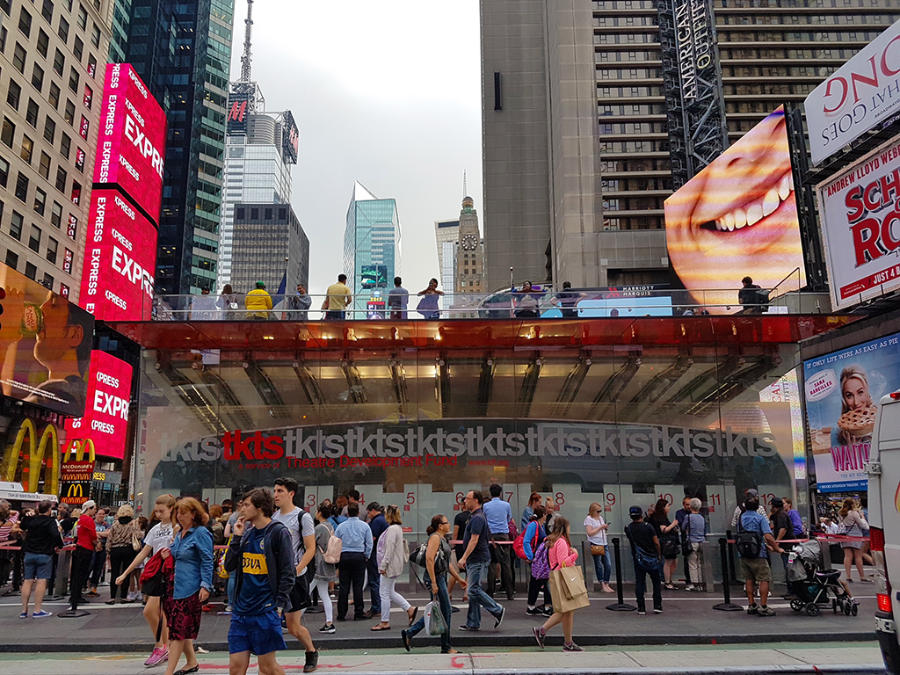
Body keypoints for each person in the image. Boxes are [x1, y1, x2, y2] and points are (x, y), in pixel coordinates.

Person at [225, 488, 304, 675]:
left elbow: (288, 572)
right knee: (235, 668)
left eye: (246, 505)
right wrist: (236, 537)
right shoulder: (246, 534)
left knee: (267, 668)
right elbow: (229, 565)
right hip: (241, 611)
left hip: (264, 610)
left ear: (259, 508)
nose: (242, 510)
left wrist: (279, 605)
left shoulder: (278, 533)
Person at [0, 288, 93, 417]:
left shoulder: (62, 393)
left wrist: (4, 338)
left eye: (54, 305)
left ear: (74, 335)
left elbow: (8, 421)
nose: (42, 307)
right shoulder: (73, 395)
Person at [115, 494, 177, 668]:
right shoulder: (156, 529)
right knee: (155, 612)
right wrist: (126, 573)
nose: (158, 514)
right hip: (157, 572)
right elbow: (143, 552)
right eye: (156, 511)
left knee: (154, 611)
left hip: (170, 572)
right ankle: (164, 646)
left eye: (161, 510)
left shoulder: (177, 526)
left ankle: (162, 646)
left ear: (171, 509)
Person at [164, 497, 214, 675]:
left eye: (183, 513)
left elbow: (207, 560)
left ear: (194, 514)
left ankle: (168, 672)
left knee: (177, 632)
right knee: (180, 629)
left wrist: (206, 585)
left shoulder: (200, 533)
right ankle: (191, 662)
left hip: (191, 588)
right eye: (177, 512)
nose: (179, 516)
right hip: (177, 587)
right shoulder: (180, 533)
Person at [402, 514, 466, 654]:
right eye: (446, 522)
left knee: (439, 611)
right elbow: (429, 559)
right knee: (445, 611)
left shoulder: (443, 539)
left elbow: (446, 563)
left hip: (440, 577)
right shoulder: (435, 538)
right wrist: (433, 582)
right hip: (436, 578)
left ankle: (410, 633)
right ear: (440, 526)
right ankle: (446, 646)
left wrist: (459, 578)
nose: (449, 524)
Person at [272, 478, 318, 667]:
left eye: (280, 491)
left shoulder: (302, 517)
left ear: (291, 493)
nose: (276, 495)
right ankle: (267, 661)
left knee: (293, 627)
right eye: (274, 491)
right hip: (275, 578)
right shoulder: (273, 518)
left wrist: (296, 570)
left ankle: (311, 651)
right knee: (271, 619)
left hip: (295, 578)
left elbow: (310, 548)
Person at [531, 517, 582, 652]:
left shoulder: (553, 541)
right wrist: (575, 555)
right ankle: (542, 630)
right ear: (564, 527)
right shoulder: (561, 542)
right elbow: (563, 563)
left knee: (568, 611)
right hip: (562, 578)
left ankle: (568, 642)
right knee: (564, 611)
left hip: (555, 578)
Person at [457, 490, 505, 631]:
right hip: (475, 558)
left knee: (473, 590)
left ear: (476, 500)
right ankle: (473, 622)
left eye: (467, 498)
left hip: (477, 558)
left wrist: (464, 557)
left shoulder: (477, 518)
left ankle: (497, 610)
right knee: (473, 591)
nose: (465, 501)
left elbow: (474, 540)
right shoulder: (474, 516)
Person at [15, 500, 62, 618]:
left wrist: (27, 516)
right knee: (41, 580)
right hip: (44, 553)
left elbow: (22, 525)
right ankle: (37, 610)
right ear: (49, 510)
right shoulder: (50, 521)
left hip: (29, 552)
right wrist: (58, 545)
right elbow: (56, 535)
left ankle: (24, 610)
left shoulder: (31, 520)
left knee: (28, 580)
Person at [372, 505, 416, 630]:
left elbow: (389, 549)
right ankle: (409, 609)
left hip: (389, 566)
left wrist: (383, 565)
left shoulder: (392, 529)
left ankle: (385, 621)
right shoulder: (397, 528)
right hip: (394, 565)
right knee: (390, 591)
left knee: (384, 593)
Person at [738, 494, 783, 616]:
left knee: (749, 579)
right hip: (758, 553)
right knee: (764, 578)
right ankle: (763, 606)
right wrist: (776, 548)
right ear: (758, 507)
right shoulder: (760, 518)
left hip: (743, 553)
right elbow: (768, 536)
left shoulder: (741, 518)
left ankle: (751, 604)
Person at [334, 502, 373, 621]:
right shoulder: (365, 526)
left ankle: (341, 614)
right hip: (358, 556)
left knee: (344, 586)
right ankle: (358, 612)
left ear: (347, 513)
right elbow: (369, 543)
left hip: (344, 556)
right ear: (358, 512)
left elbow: (336, 542)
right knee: (358, 586)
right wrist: (366, 555)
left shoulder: (341, 526)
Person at [624, 506, 663, 615]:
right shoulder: (648, 527)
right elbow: (656, 542)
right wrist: (659, 554)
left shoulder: (629, 528)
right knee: (656, 581)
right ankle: (657, 605)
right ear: (641, 514)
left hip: (638, 558)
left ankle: (641, 607)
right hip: (652, 557)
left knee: (640, 582)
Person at [483, 484, 514, 600]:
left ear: (490, 493)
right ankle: (509, 593)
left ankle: (490, 592)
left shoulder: (486, 506)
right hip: (504, 535)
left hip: (491, 536)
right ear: (500, 493)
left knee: (491, 564)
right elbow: (509, 518)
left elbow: (485, 520)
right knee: (506, 564)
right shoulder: (506, 505)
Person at [105, 504, 139, 604]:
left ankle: (112, 596)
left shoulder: (115, 524)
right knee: (126, 573)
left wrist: (108, 550)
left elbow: (110, 538)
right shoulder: (133, 523)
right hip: (128, 549)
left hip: (115, 549)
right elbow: (138, 535)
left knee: (114, 573)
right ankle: (124, 596)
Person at [834, 367, 875, 446]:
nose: (856, 402)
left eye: (860, 392)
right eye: (849, 395)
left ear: (867, 391)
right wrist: (851, 451)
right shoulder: (836, 435)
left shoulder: (883, 420)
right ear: (844, 398)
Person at [312, 503, 337, 634]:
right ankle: (329, 623)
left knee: (306, 591)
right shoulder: (329, 526)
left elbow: (310, 545)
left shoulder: (319, 528)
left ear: (320, 513)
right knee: (324, 594)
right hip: (328, 563)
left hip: (319, 563)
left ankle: (292, 621)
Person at [68, 499, 97, 610]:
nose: (95, 511)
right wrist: (97, 544)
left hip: (79, 548)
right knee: (81, 575)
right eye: (94, 509)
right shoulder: (88, 520)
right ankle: (75, 597)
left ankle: (75, 596)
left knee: (77, 574)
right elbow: (93, 536)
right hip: (86, 549)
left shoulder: (80, 519)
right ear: (89, 509)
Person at [523, 505, 551, 615]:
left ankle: (531, 606)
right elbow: (526, 541)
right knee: (546, 581)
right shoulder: (534, 525)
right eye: (545, 514)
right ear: (543, 515)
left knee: (536, 582)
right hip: (538, 559)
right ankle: (547, 607)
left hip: (539, 558)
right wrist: (531, 557)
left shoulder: (540, 525)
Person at [647, 499, 679, 590]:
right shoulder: (660, 518)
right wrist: (673, 524)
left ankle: (668, 579)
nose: (669, 508)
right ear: (663, 507)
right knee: (668, 562)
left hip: (669, 541)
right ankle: (667, 581)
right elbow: (664, 530)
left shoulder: (662, 517)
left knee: (673, 561)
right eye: (667, 506)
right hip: (665, 542)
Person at [839, 497, 870, 583]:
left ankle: (848, 576)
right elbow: (863, 525)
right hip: (856, 536)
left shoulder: (841, 513)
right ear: (852, 504)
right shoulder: (854, 513)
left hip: (845, 536)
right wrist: (862, 517)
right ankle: (862, 576)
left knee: (847, 556)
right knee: (858, 557)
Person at [365, 503, 388, 619]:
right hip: (381, 554)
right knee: (379, 581)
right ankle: (379, 607)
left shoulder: (377, 521)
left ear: (373, 510)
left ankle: (376, 608)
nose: (368, 515)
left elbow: (372, 538)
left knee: (374, 581)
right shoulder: (383, 519)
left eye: (368, 512)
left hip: (375, 554)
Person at [584, 503, 613, 593]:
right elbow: (589, 532)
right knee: (599, 564)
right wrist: (601, 527)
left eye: (600, 511)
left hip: (604, 542)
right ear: (593, 511)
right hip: (596, 543)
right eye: (598, 511)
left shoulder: (600, 518)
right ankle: (602, 584)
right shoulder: (589, 519)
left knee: (608, 564)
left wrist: (604, 528)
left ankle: (606, 582)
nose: (599, 513)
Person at [682, 498, 707, 592]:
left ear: (691, 506)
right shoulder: (702, 517)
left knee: (692, 563)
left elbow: (683, 527)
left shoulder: (688, 517)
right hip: (702, 541)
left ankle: (694, 583)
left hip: (692, 541)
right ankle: (700, 583)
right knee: (699, 563)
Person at [449, 503, 470, 604]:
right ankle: (466, 594)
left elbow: (455, 533)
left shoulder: (459, 517)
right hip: (470, 547)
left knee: (454, 571)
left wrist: (453, 544)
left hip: (459, 546)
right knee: (468, 571)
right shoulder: (474, 517)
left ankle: (448, 593)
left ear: (463, 506)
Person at [769, 497, 793, 587]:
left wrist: (777, 542)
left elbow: (783, 529)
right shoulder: (778, 514)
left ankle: (792, 590)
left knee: (789, 567)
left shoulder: (781, 515)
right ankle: (791, 589)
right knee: (787, 566)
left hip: (788, 546)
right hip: (785, 546)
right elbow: (767, 520)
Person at [87, 507, 109, 597]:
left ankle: (93, 588)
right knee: (89, 566)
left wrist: (97, 533)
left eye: (103, 514)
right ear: (96, 514)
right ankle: (85, 585)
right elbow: (90, 533)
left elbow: (108, 533)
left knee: (98, 568)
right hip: (92, 547)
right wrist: (100, 534)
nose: (101, 515)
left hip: (102, 548)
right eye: (99, 513)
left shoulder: (106, 524)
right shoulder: (91, 523)